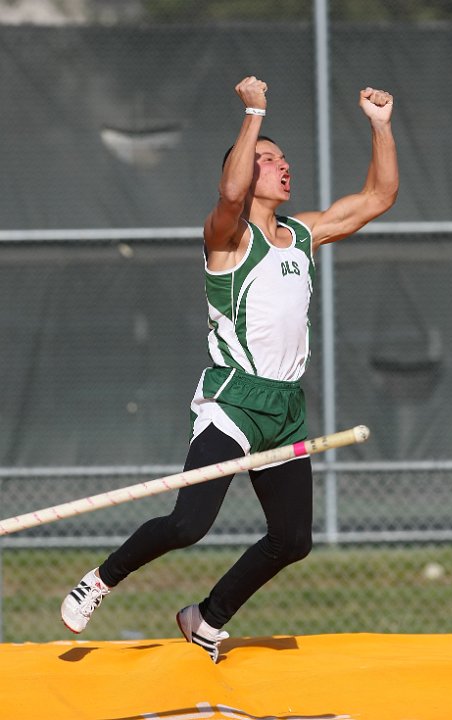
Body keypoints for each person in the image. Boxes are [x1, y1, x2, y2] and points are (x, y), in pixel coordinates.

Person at [61, 75, 398, 662]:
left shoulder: (302, 235)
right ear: (247, 171)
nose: (282, 166)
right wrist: (254, 115)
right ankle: (99, 580)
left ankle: (206, 618)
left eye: (284, 157)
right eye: (268, 160)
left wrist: (380, 125)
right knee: (190, 523)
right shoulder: (227, 238)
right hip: (233, 402)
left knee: (293, 540)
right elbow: (228, 193)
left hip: (286, 408)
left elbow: (378, 198)